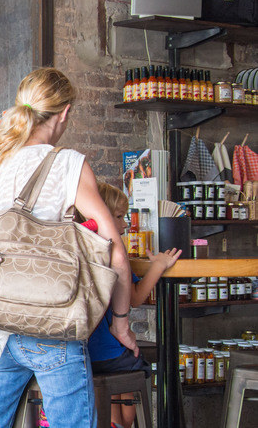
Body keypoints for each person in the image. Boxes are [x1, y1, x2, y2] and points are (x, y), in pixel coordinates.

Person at [0, 68, 137, 427]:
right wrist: (120, 324)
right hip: (51, 324)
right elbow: (115, 251)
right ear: (65, 113)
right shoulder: (66, 164)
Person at [87, 182, 181, 428]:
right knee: (136, 362)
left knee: (112, 376)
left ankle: (112, 422)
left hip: (81, 355)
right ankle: (123, 423)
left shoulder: (83, 249)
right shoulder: (114, 252)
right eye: (118, 217)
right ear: (101, 216)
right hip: (107, 353)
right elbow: (136, 297)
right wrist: (159, 266)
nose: (125, 224)